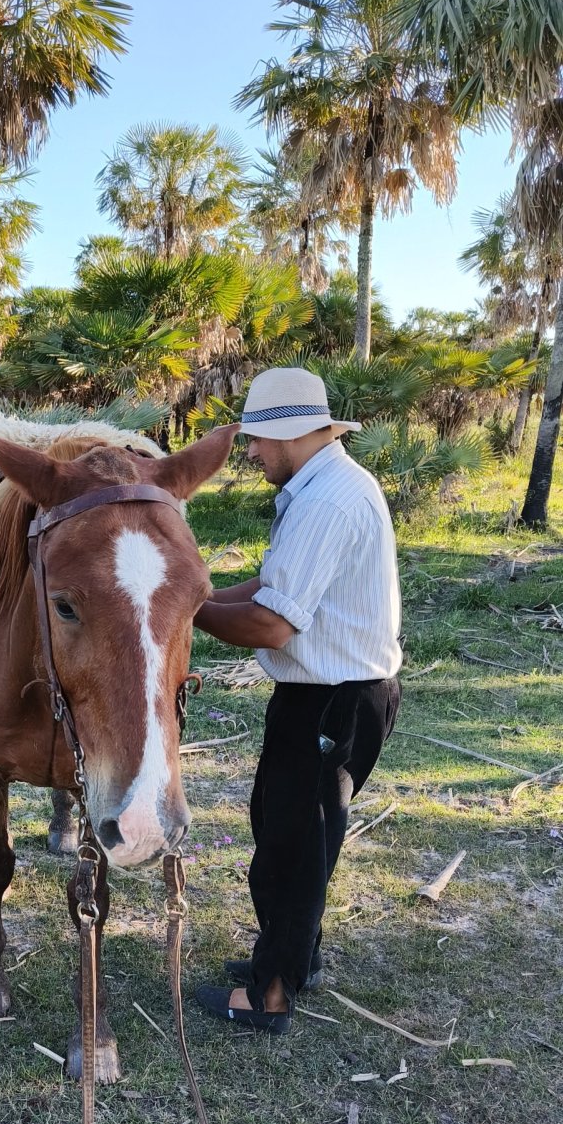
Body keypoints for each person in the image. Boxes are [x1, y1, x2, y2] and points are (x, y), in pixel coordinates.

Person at [192, 366, 402, 1034]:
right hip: (323, 694)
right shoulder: (323, 487)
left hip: (332, 700)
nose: (251, 452)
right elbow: (274, 582)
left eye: (257, 440)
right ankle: (292, 958)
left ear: (293, 434)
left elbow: (274, 623)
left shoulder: (327, 502)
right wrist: (198, 597)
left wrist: (184, 616)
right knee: (285, 830)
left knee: (294, 846)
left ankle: (272, 994)